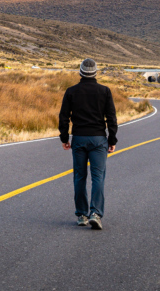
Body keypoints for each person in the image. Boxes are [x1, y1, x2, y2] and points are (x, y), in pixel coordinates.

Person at [59, 58, 117, 230]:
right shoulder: (105, 91)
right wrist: (112, 140)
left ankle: (82, 215)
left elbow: (63, 117)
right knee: (98, 177)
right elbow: (111, 118)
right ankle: (96, 214)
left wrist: (64, 138)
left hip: (79, 138)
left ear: (80, 72)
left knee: (79, 176)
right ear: (96, 72)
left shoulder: (71, 92)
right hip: (99, 139)